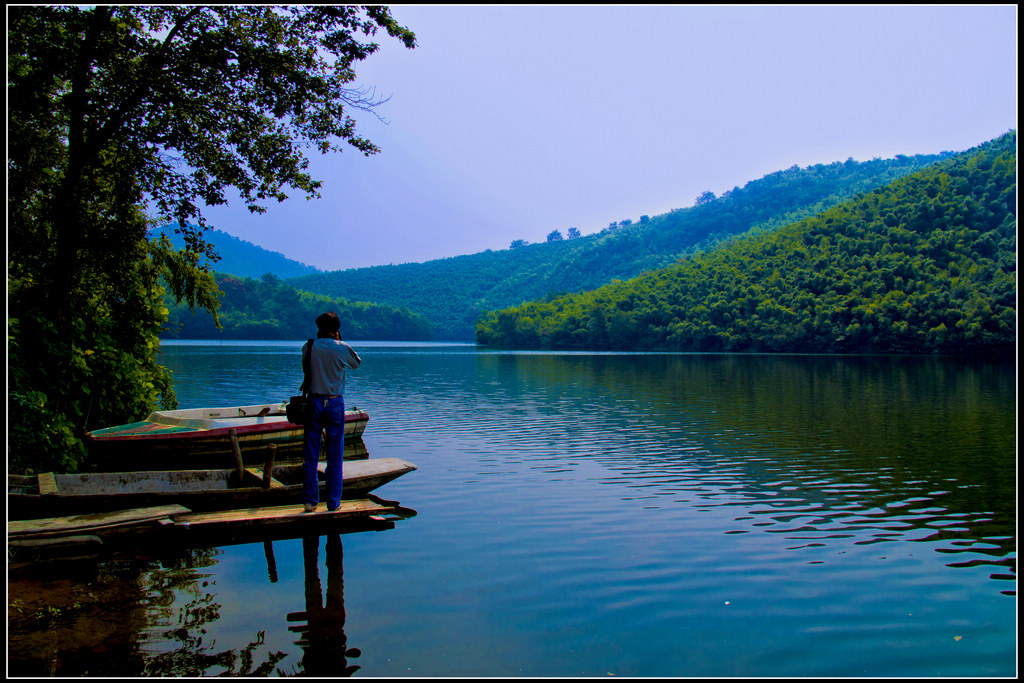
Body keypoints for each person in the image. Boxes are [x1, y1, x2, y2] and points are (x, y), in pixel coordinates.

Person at [302, 312, 361, 512]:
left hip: (314, 402)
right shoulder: (342, 348)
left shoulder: (309, 347)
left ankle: (310, 501)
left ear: (318, 327)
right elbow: (356, 363)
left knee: (311, 453)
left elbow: (306, 369)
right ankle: (333, 502)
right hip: (335, 403)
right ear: (336, 329)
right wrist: (339, 341)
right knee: (335, 455)